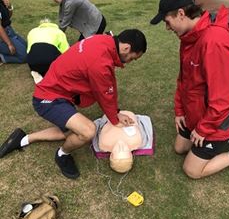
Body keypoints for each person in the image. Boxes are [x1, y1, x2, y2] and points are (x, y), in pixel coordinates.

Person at [0, 29, 147, 179]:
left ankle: (23, 139)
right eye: (132, 58)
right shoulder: (100, 63)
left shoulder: (103, 40)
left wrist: (115, 111)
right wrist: (115, 117)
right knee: (88, 131)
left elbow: (108, 82)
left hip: (59, 92)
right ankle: (62, 154)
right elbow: (104, 92)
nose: (129, 62)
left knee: (71, 132)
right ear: (126, 48)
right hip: (48, 99)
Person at [150, 0, 229, 179]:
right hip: (198, 111)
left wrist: (204, 129)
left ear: (180, 14)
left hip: (219, 120)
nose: (167, 28)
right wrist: (180, 110)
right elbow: (184, 79)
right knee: (180, 148)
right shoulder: (188, 38)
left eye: (167, 22)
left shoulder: (214, 42)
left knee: (192, 170)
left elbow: (224, 99)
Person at [26, 18, 70, 82]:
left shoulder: (32, 31)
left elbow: (28, 51)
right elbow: (66, 51)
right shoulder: (59, 32)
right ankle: (52, 73)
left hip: (32, 63)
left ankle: (36, 71)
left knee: (40, 63)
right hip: (50, 63)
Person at [0, 0, 27, 64]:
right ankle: (3, 57)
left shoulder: (1, 0)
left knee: (28, 48)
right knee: (24, 57)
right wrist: (9, 44)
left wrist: (9, 7)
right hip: (2, 36)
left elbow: (7, 17)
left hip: (9, 31)